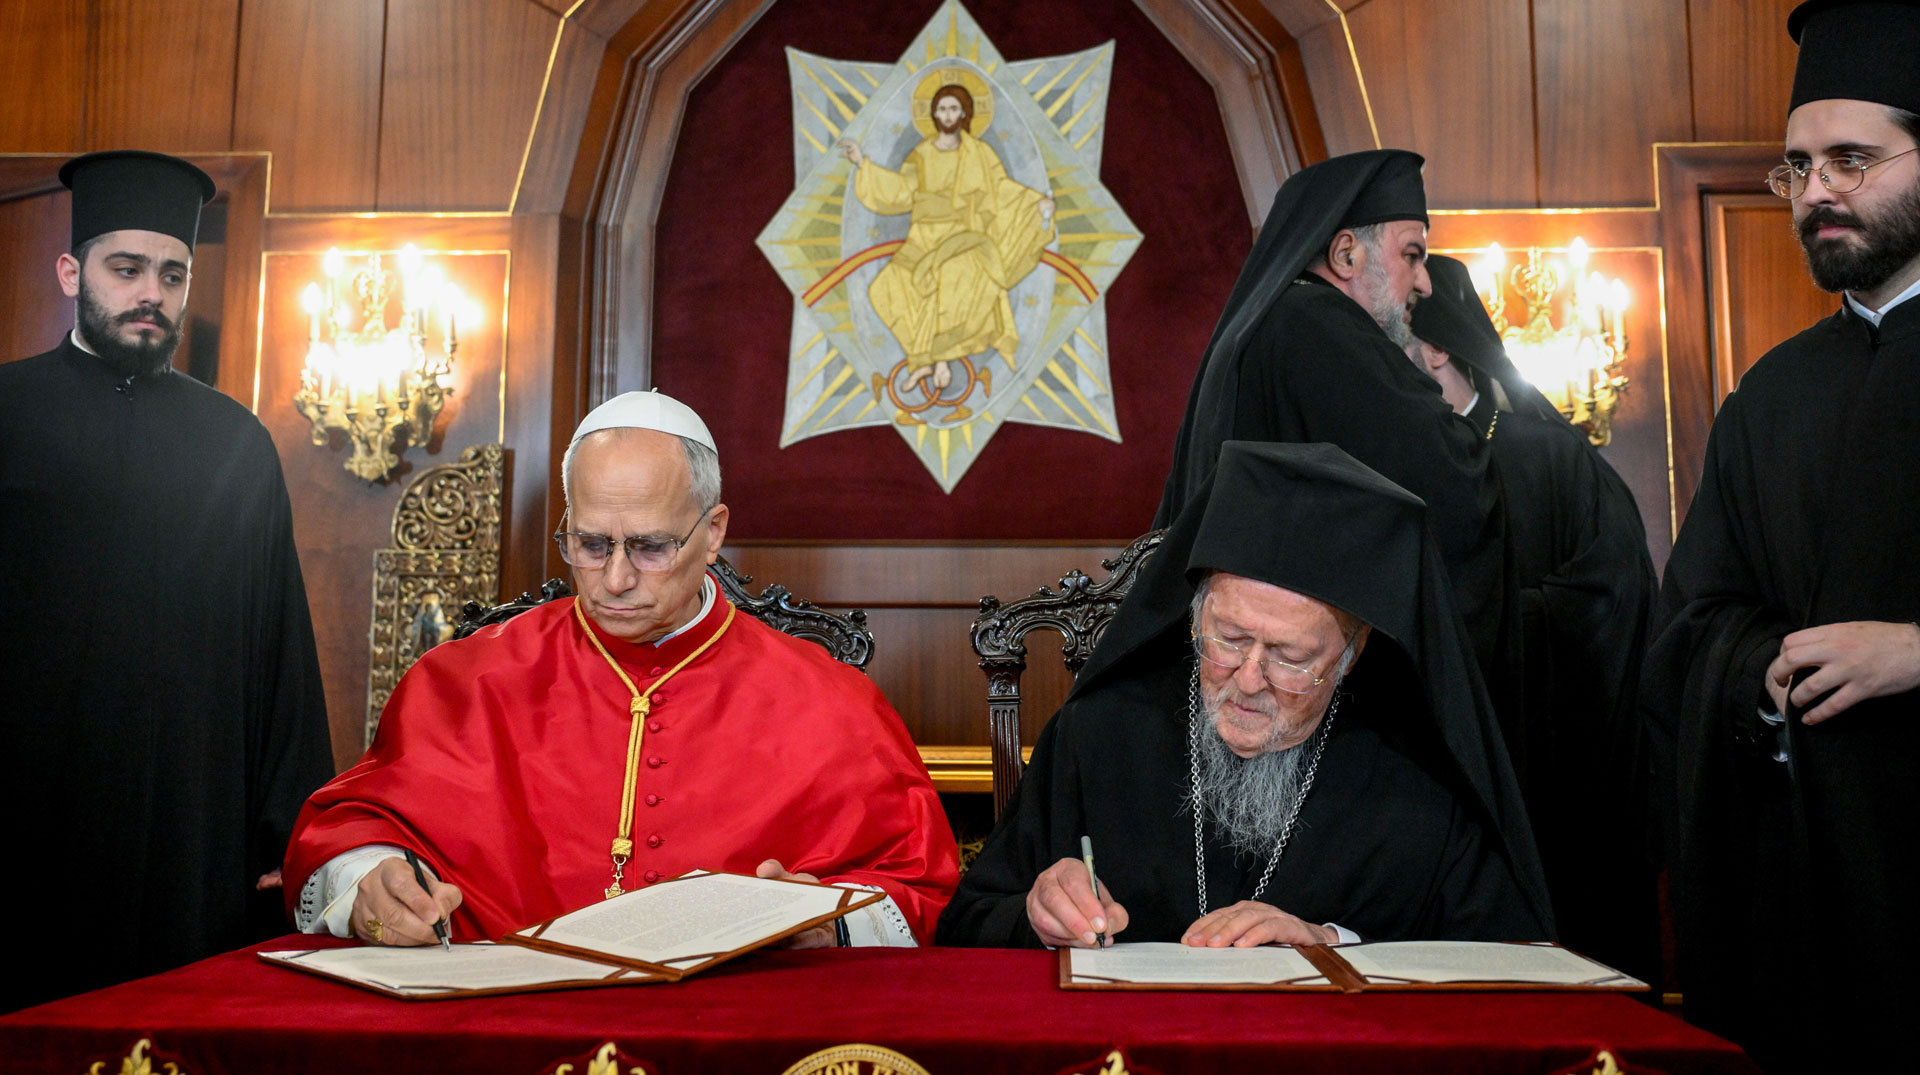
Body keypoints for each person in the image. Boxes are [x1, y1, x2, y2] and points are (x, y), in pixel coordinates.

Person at [285, 390, 960, 948]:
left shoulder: (827, 699)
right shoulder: (462, 681)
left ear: (714, 530)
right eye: (590, 543)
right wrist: (371, 887)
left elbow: (920, 887)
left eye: (649, 547)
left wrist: (829, 924)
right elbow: (348, 833)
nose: (613, 578)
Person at [938, 441, 1552, 949]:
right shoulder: (1097, 734)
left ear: (1352, 653)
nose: (1248, 679)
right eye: (1228, 639)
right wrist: (1040, 917)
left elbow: (1507, 963)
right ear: (1195, 615)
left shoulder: (1422, 774)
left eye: (1289, 657)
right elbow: (967, 924)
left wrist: (1331, 944)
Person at [1641, 2, 1920, 1067]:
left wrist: (1911, 651)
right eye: (1798, 168)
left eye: (1853, 160)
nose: (1818, 194)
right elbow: (1693, 621)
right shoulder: (1774, 393)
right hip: (1809, 898)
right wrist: (1762, 667)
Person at [0, 151, 333, 1012]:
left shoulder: (236, 442)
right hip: (25, 811)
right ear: (74, 272)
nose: (152, 292)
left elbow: (280, 649)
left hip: (187, 813)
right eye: (127, 268)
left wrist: (292, 823)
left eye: (172, 273)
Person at [1154, 150, 1508, 689]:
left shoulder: (1272, 324)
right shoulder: (1320, 327)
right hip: (1293, 668)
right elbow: (1447, 477)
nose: (1425, 283)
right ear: (1346, 253)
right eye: (1412, 255)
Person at [1409, 254, 1660, 982]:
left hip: (1553, 792)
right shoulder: (1384, 461)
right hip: (1427, 794)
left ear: (1435, 347)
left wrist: (1469, 623)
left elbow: (1615, 612)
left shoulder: (1551, 458)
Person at [840, 81, 1054, 423]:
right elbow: (900, 191)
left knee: (947, 284)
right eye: (941, 109)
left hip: (964, 238)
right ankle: (922, 358)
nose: (947, 115)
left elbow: (1002, 191)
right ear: (933, 114)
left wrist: (1036, 204)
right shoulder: (922, 154)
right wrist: (862, 163)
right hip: (922, 238)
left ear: (965, 113)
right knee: (884, 289)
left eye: (954, 109)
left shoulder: (980, 154)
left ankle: (938, 360)